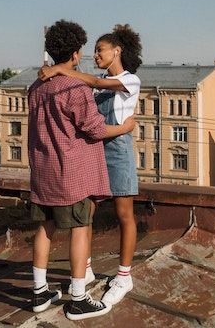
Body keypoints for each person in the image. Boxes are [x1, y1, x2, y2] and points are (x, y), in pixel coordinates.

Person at [28, 20, 135, 320]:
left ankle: (39, 292)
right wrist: (124, 128)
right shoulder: (74, 87)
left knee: (44, 228)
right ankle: (78, 298)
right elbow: (94, 128)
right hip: (71, 172)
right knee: (80, 228)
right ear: (75, 54)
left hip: (43, 171)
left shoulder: (36, 87)